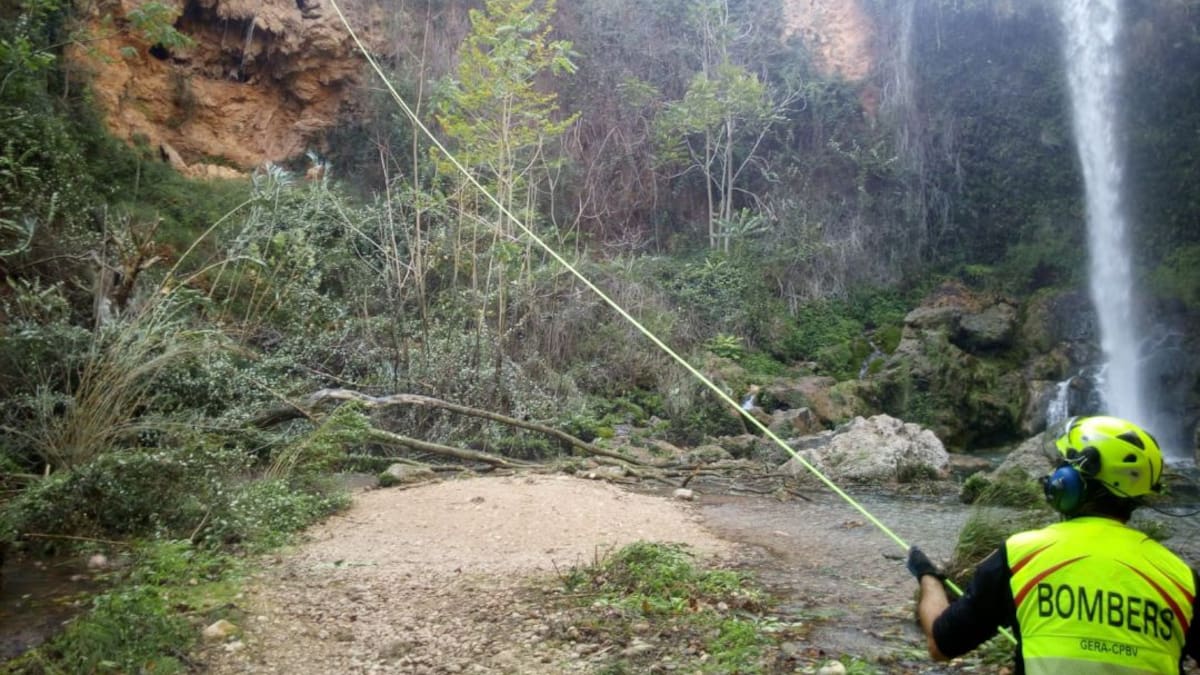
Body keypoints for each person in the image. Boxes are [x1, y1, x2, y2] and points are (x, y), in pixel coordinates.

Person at [907, 415, 1200, 674]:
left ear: (1068, 482)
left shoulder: (1020, 556)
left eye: (1061, 466)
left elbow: (940, 645)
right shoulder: (1182, 579)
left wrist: (928, 576)